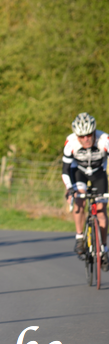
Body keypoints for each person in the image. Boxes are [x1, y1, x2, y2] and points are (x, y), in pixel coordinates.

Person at [62, 112, 109, 271]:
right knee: (79, 199)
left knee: (101, 211)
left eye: (89, 135)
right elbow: (65, 170)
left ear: (94, 132)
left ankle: (103, 249)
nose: (86, 139)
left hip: (99, 173)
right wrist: (69, 189)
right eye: (81, 136)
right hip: (78, 172)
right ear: (77, 136)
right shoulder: (71, 142)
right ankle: (80, 237)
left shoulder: (104, 140)